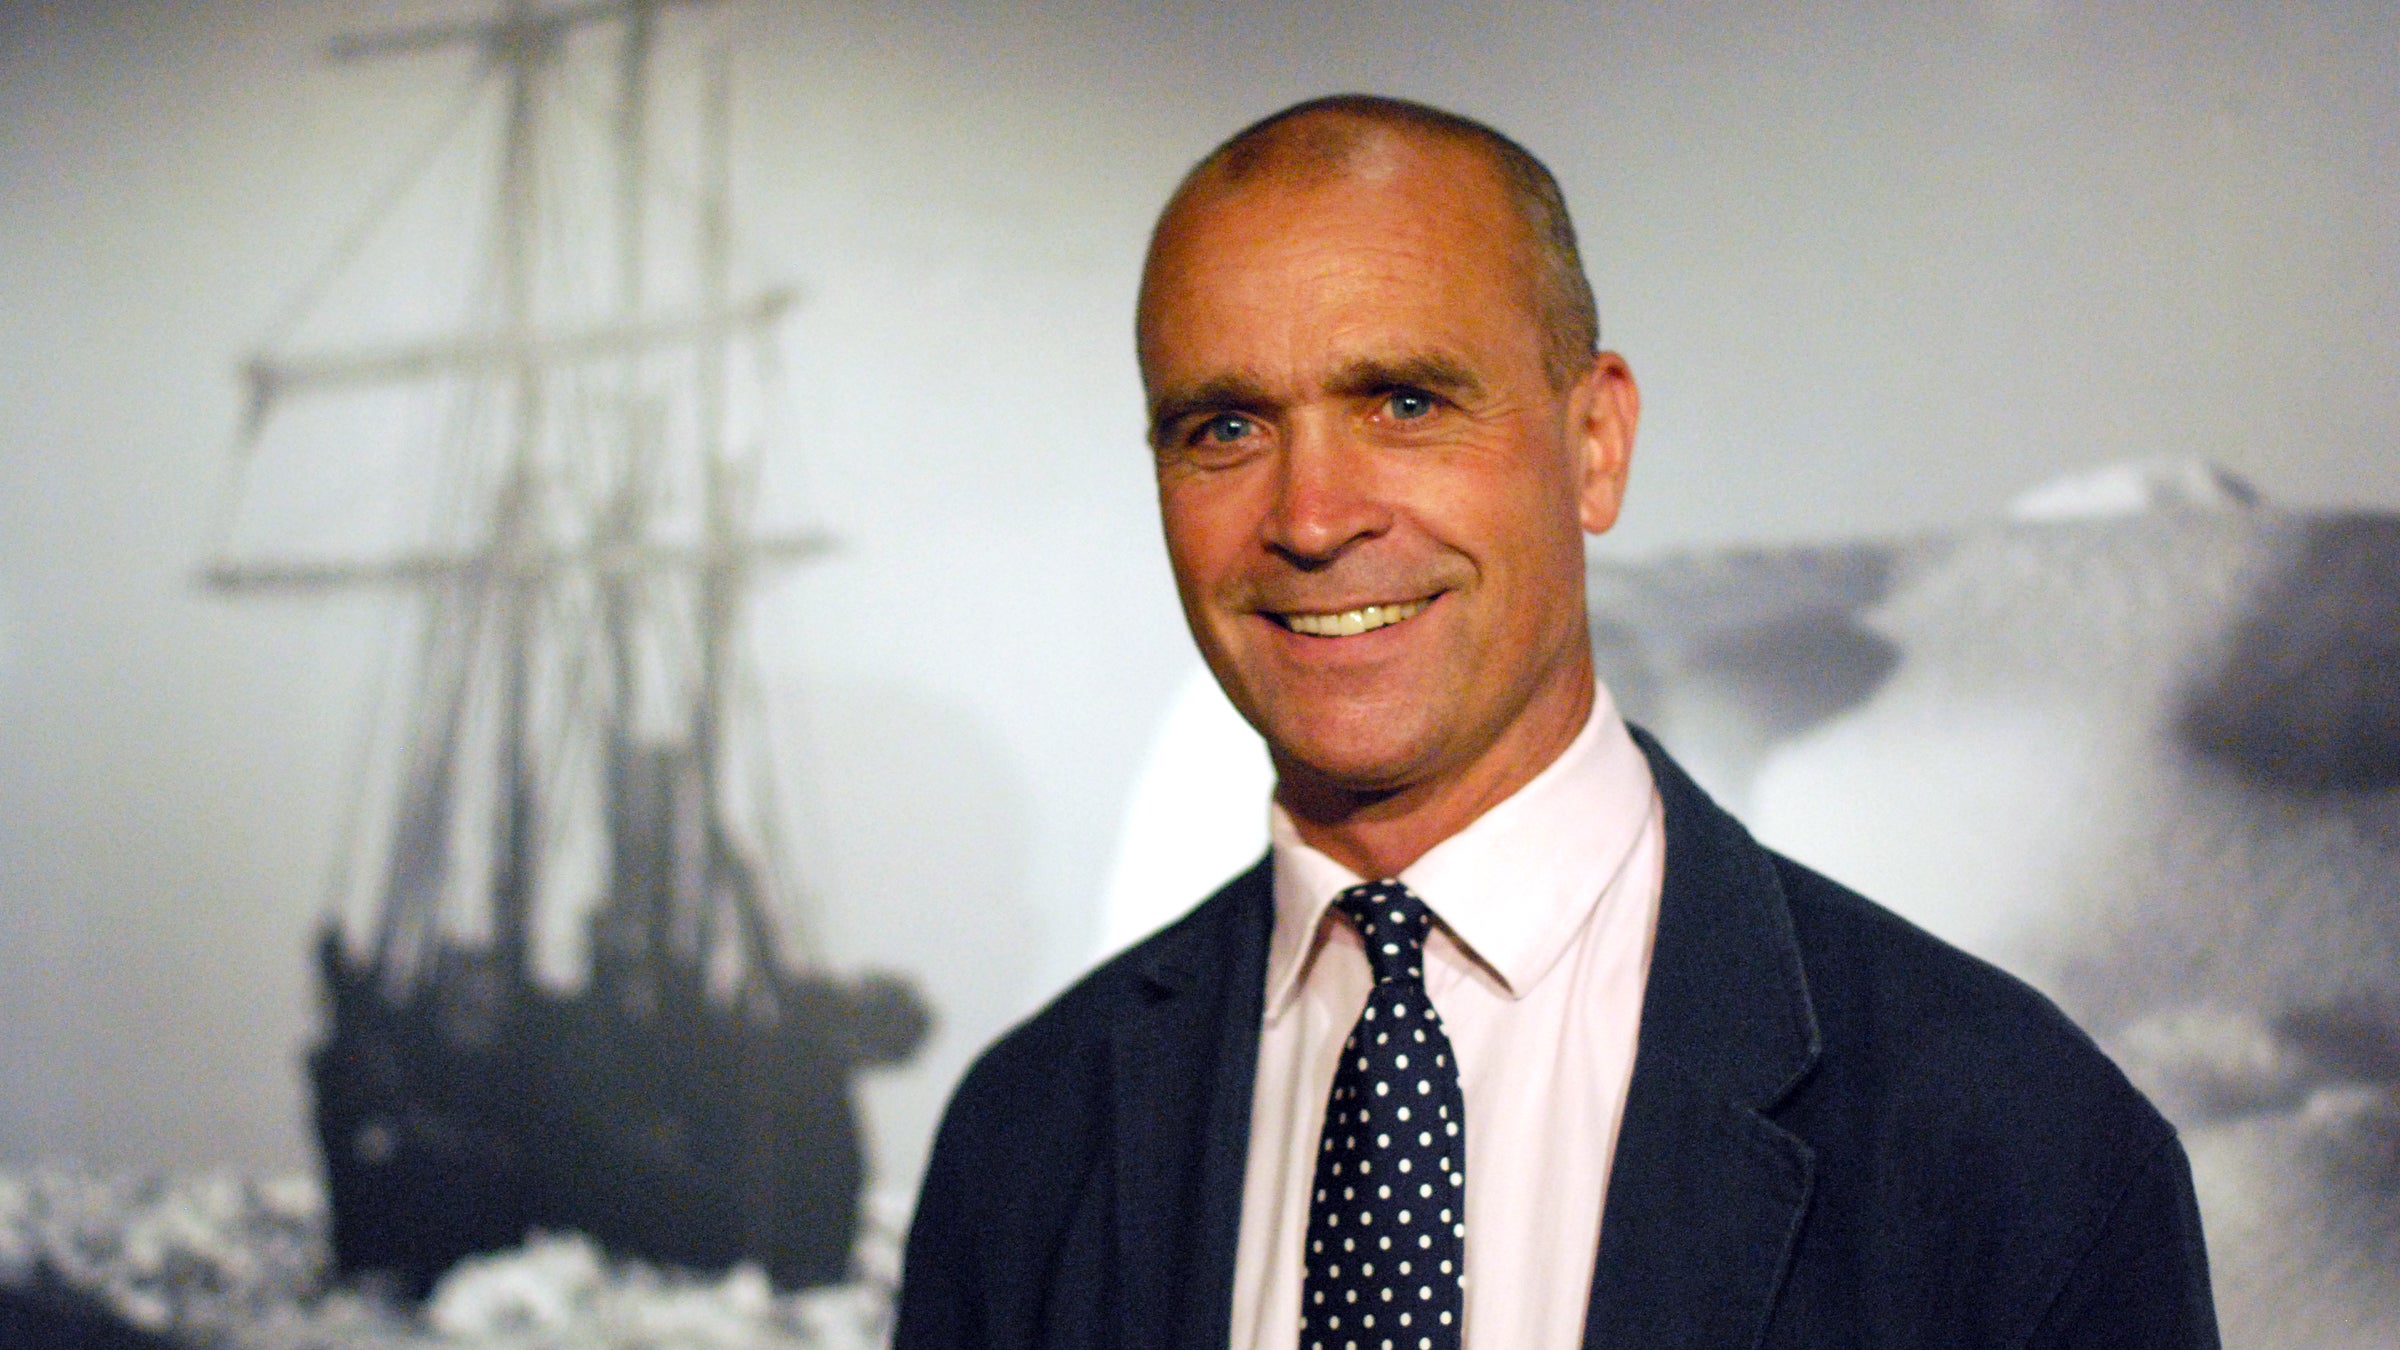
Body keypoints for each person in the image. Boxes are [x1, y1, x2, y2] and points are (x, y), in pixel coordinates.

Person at [893, 95, 2219, 1349]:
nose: (1310, 516)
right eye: (1224, 427)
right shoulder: (1028, 1140)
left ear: (1595, 445)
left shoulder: (2017, 1146)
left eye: (1404, 402)